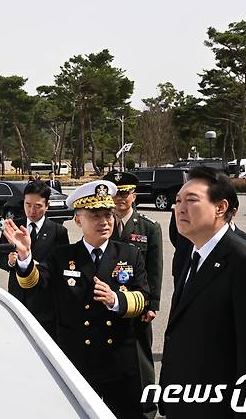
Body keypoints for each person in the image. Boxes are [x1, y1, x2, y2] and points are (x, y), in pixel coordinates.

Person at [3, 180, 149, 419]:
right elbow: (34, 284)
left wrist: (116, 300)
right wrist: (25, 257)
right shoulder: (63, 256)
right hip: (77, 360)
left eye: (108, 215)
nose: (104, 222)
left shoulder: (129, 254)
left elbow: (143, 298)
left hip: (119, 363)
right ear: (78, 220)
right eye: (95, 216)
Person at [160, 167, 246, 419]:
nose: (179, 208)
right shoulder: (194, 253)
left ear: (220, 208)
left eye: (191, 200)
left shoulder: (243, 261)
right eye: (178, 200)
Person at [103, 171, 162, 419]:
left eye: (124, 194)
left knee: (141, 357)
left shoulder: (148, 227)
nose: (120, 199)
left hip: (138, 302)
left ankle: (147, 408)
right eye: (115, 194)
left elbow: (154, 269)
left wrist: (152, 304)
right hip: (109, 302)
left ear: (133, 196)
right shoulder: (103, 224)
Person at [0, 181, 69, 338]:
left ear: (47, 205)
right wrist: (10, 261)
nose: (32, 210)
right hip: (18, 295)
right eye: (28, 205)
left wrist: (35, 265)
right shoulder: (13, 228)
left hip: (45, 299)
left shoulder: (58, 231)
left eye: (37, 206)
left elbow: (63, 266)